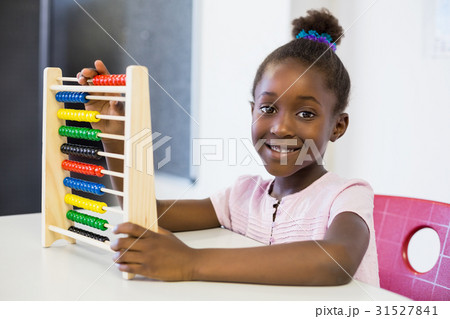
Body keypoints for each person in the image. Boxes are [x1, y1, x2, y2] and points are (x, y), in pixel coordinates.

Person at [77, 8, 379, 286]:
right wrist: (115, 133)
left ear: (337, 126)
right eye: (268, 109)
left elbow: (335, 260)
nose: (281, 127)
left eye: (306, 114)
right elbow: (149, 214)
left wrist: (191, 262)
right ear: (252, 112)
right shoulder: (243, 198)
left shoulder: (346, 196)